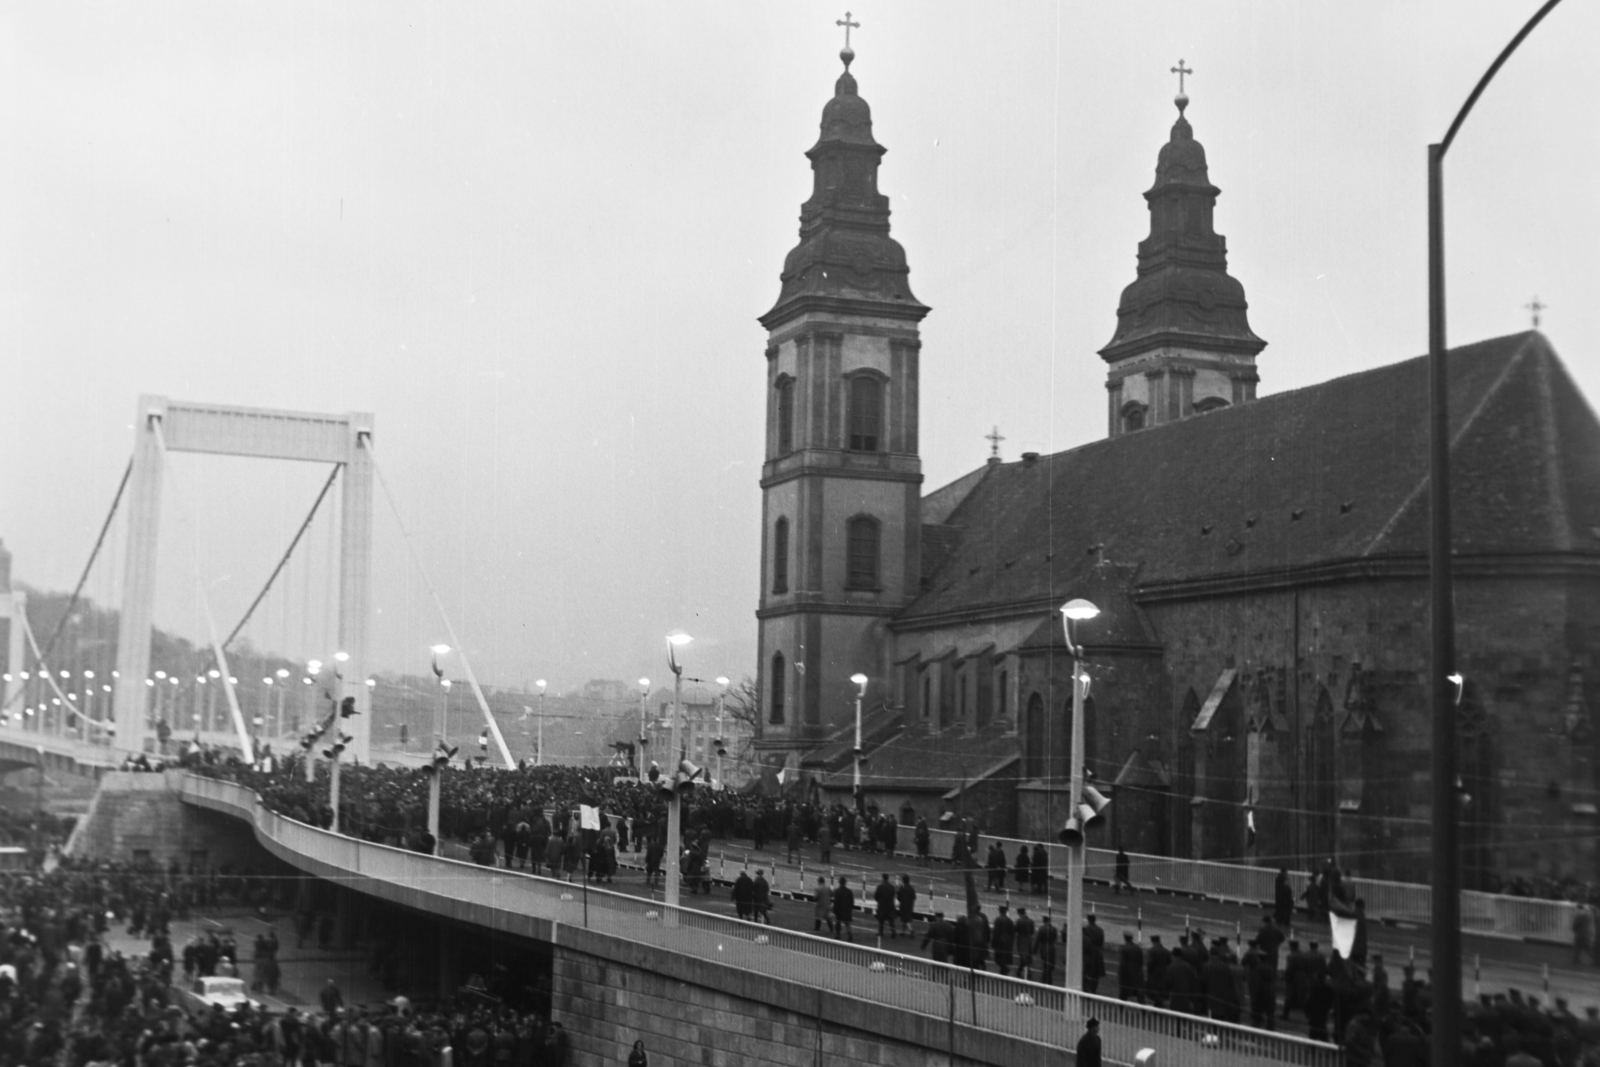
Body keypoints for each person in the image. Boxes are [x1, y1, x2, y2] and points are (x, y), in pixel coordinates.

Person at [1117, 931, 1145, 1003]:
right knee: (1139, 993)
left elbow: (1122, 963)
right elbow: (1141, 962)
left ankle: (1121, 1009)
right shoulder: (1138, 948)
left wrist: (1120, 974)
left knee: (1123, 992)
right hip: (1137, 973)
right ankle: (1143, 1010)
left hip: (1127, 973)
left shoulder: (1124, 948)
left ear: (1125, 938)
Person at [991, 905, 1015, 977]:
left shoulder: (998, 920)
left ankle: (1005, 969)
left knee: (997, 958)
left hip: (999, 942)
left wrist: (993, 943)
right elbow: (1012, 933)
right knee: (1004, 958)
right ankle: (1003, 972)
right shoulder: (1010, 921)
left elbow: (996, 933)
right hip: (1007, 942)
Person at [1034, 915, 1058, 984]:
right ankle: (1048, 979)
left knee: (1045, 964)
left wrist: (1034, 950)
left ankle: (1044, 979)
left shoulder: (1042, 928)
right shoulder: (1054, 929)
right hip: (1051, 947)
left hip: (1044, 947)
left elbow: (1037, 940)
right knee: (1050, 964)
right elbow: (1055, 938)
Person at [1013, 907, 1035, 981]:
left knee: (1023, 957)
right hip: (1029, 940)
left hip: (1021, 940)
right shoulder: (1031, 921)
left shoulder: (1019, 921)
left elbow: (1015, 930)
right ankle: (1021, 971)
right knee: (1026, 956)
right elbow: (1032, 932)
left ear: (1019, 913)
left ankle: (1027, 972)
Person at [874, 874, 897, 939]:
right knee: (891, 920)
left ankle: (881, 932)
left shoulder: (880, 886)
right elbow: (893, 895)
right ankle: (893, 932)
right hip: (890, 905)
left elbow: (876, 896)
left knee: (881, 919)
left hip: (882, 905)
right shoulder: (892, 887)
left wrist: (879, 900)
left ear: (883, 878)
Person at [833, 875, 855, 941]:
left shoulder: (837, 891)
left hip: (839, 910)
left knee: (838, 922)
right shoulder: (849, 891)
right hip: (847, 910)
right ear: (845, 883)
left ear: (839, 883)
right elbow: (852, 902)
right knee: (848, 924)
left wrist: (835, 910)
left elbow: (836, 902)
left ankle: (838, 934)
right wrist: (850, 909)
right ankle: (850, 935)